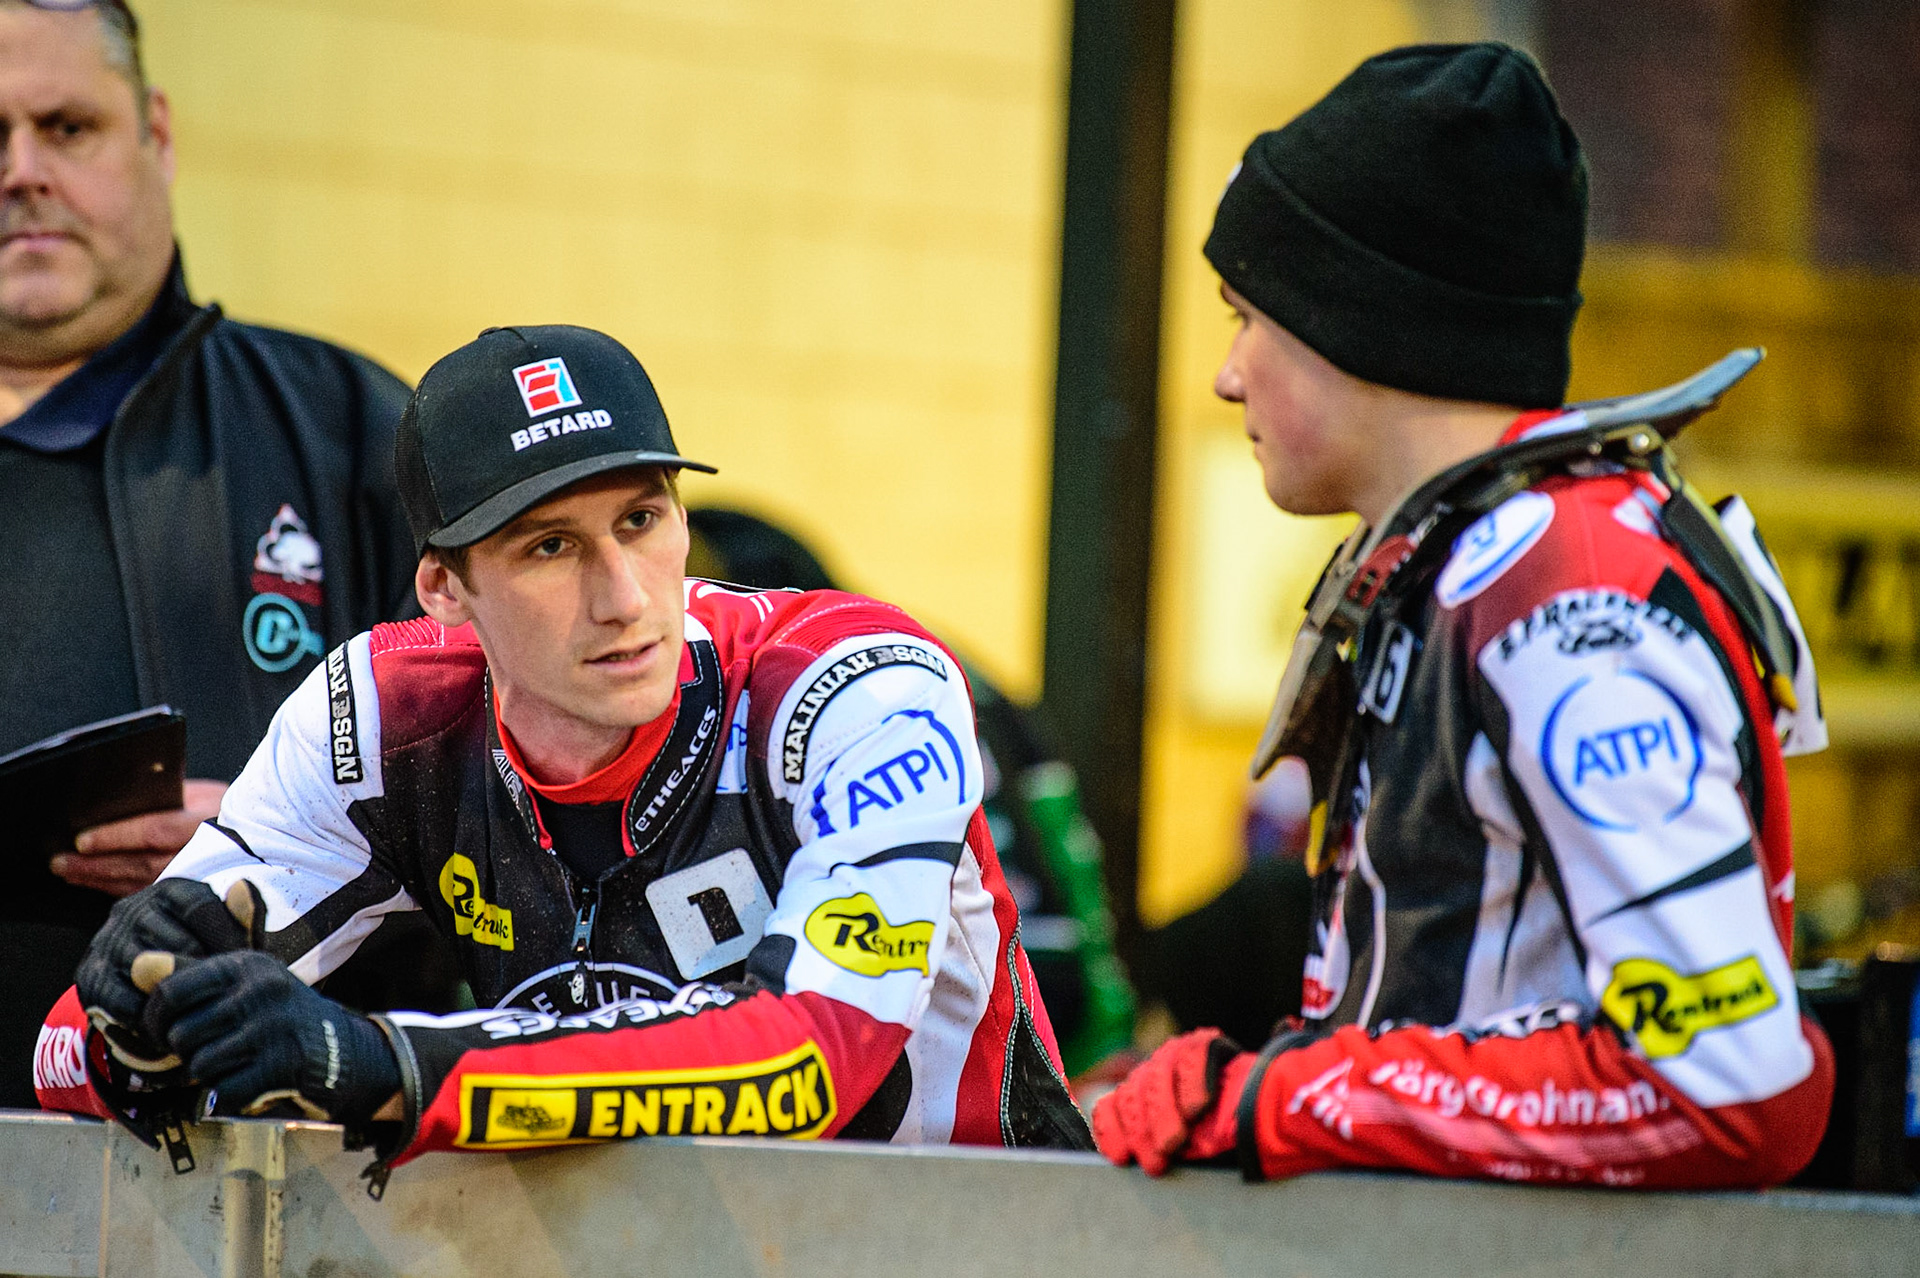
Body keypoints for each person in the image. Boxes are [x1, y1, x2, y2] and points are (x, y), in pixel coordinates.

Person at [35, 324, 1092, 1187]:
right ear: (445, 590)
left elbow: (815, 1053)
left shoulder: (856, 687)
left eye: (641, 519)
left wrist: (399, 1069)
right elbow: (67, 1053)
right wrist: (143, 1044)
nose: (625, 597)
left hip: (973, 1249)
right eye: (550, 545)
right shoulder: (385, 718)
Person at [1091, 43, 1835, 1189]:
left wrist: (1284, 1100)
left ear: (1357, 320)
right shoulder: (1475, 558)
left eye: (1248, 316)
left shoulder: (1566, 594)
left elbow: (1726, 1084)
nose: (1228, 376)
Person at [0, 0, 417, 1106]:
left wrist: (279, 853)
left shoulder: (350, 429)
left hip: (261, 1199)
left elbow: (520, 790)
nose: (23, 172)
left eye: (68, 126)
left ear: (160, 137)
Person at [682, 505, 1137, 1078]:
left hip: (1044, 1050)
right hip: (1075, 1016)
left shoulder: (868, 707)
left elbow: (1041, 939)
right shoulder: (914, 661)